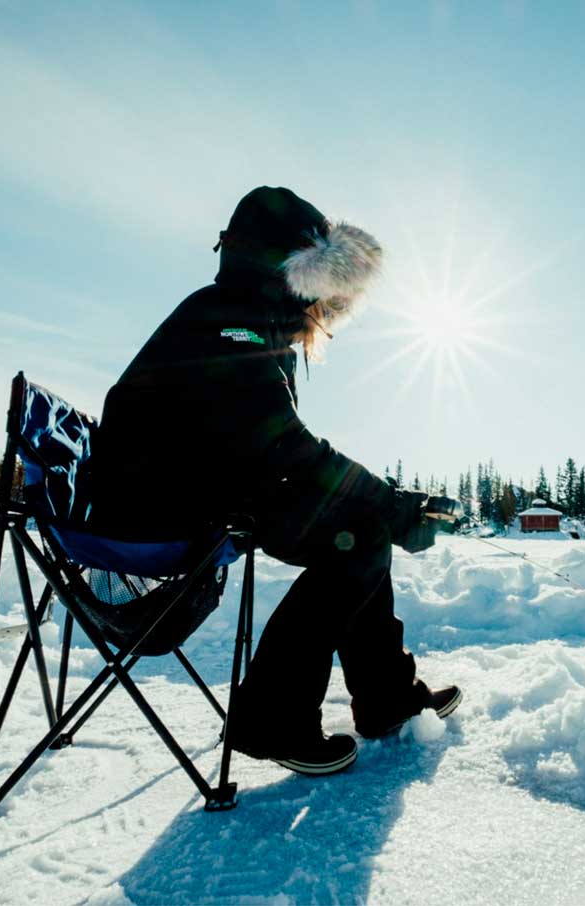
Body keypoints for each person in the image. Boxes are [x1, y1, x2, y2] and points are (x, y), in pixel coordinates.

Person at [94, 186, 460, 775]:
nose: (326, 308)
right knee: (361, 534)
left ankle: (386, 700)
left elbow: (271, 452)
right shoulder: (225, 323)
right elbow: (281, 448)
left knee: (359, 529)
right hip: (154, 514)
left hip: (193, 493)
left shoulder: (243, 320)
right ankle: (274, 720)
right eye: (323, 290)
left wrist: (386, 506)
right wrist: (389, 506)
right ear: (294, 272)